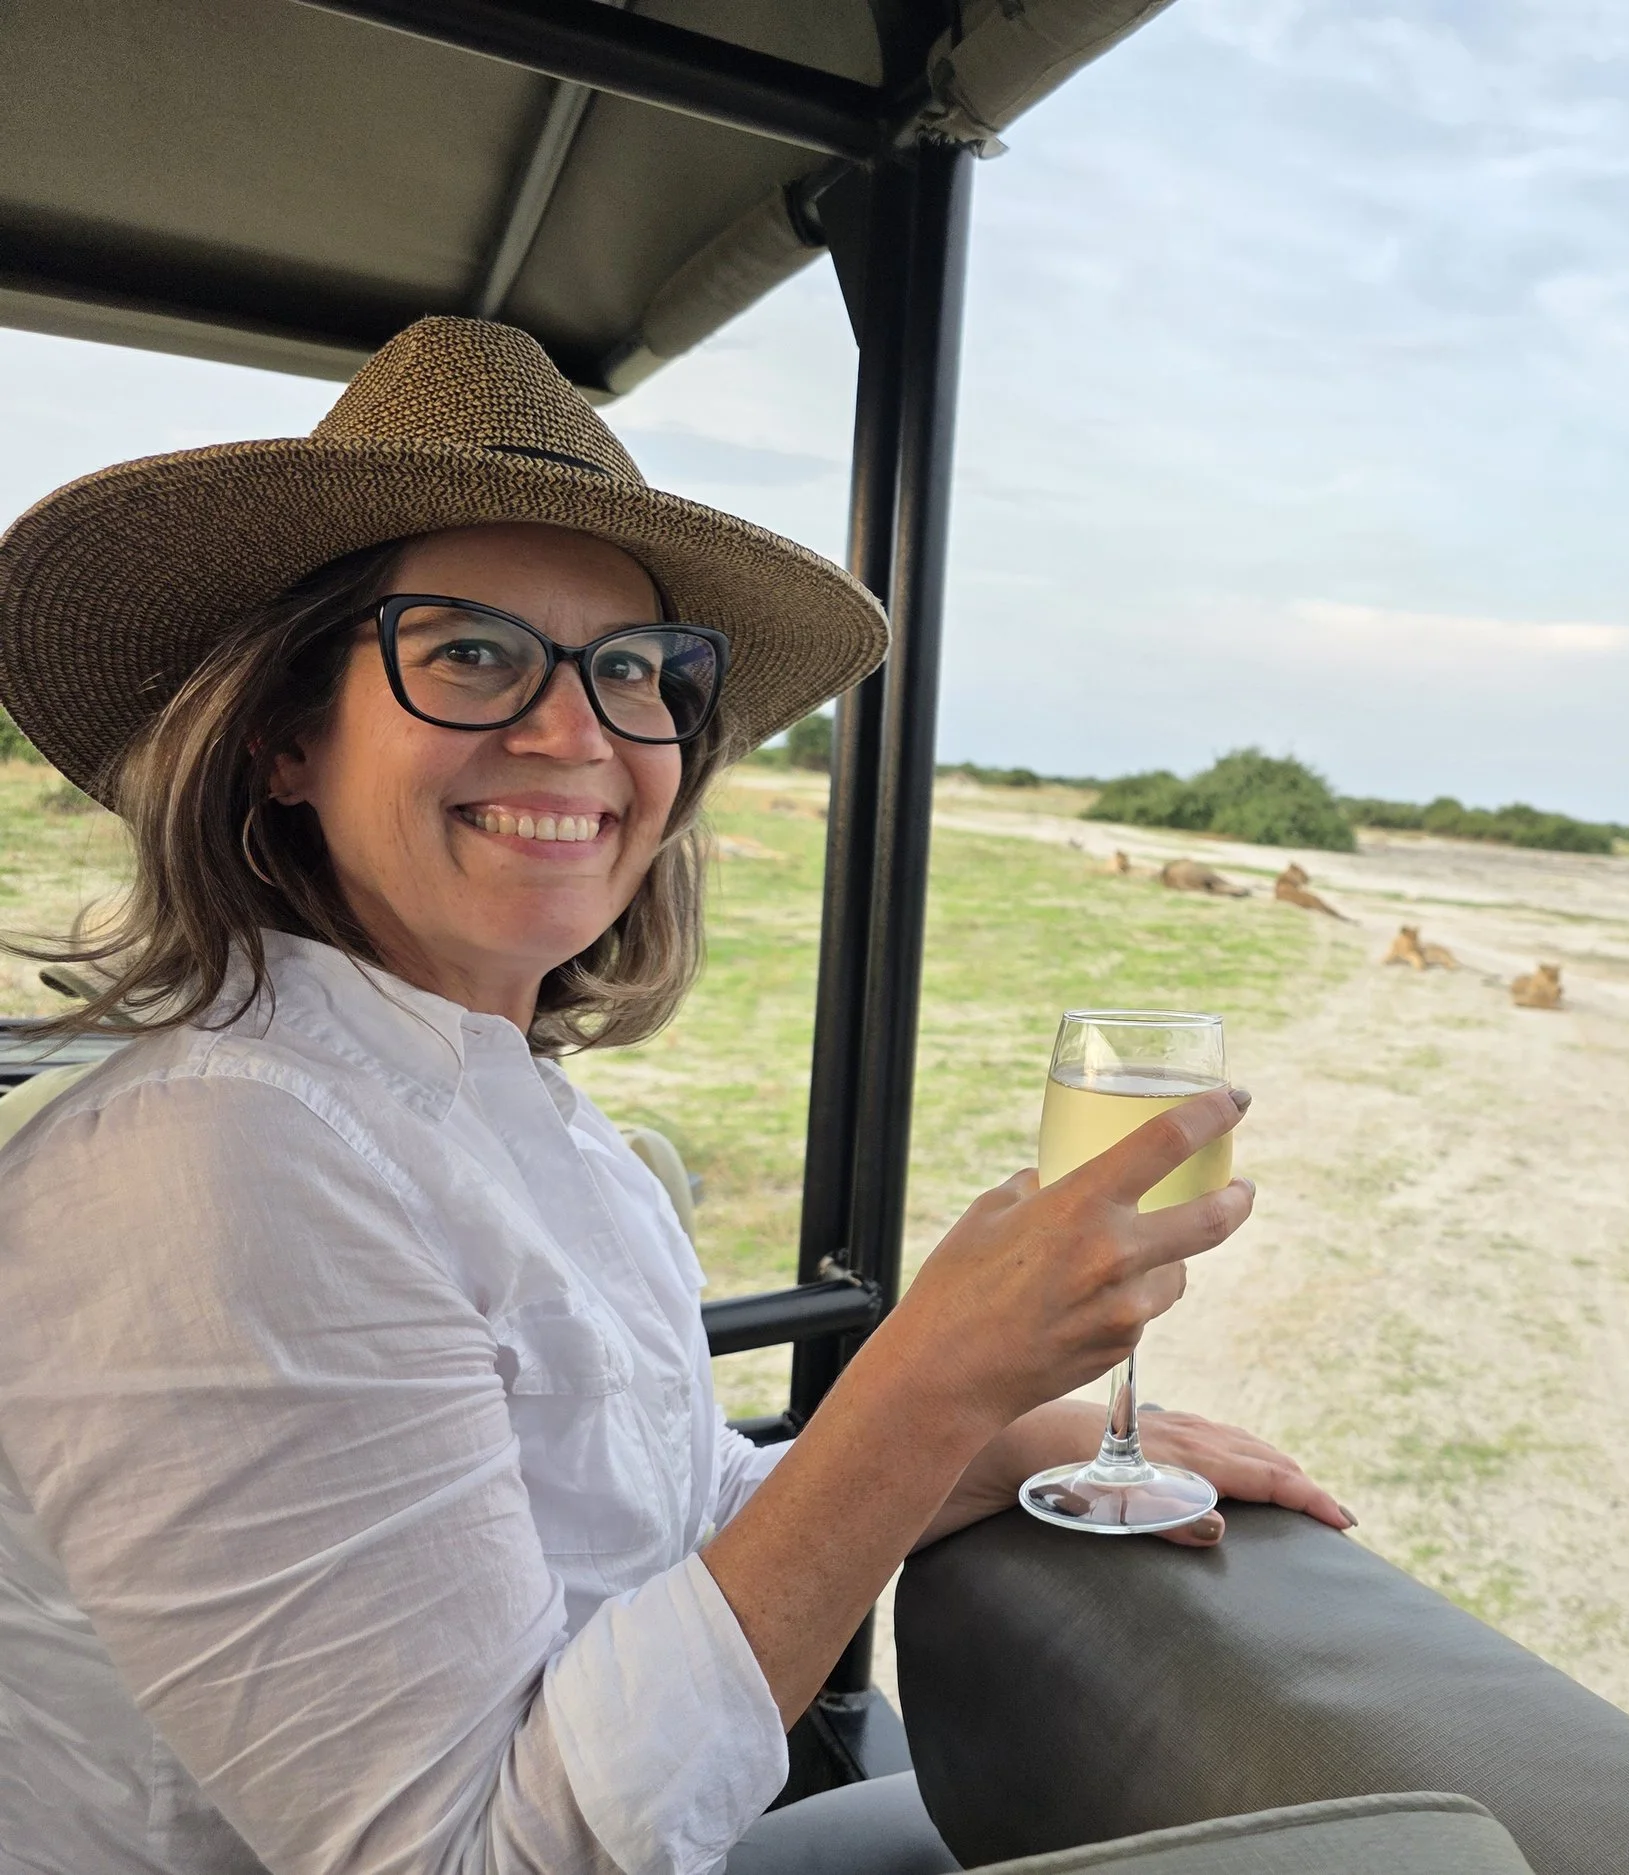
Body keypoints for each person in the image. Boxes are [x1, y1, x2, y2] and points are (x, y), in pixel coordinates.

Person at [0, 318, 1349, 1875]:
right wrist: (918, 1375)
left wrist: (992, 1423)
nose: (578, 731)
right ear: (283, 737)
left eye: (636, 670)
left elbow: (664, 1516)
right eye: (467, 650)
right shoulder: (214, 1164)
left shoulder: (535, 1126)